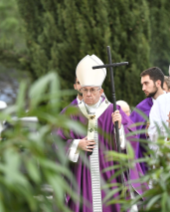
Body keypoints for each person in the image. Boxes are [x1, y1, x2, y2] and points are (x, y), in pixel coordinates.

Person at [57, 54, 148, 212]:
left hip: (109, 174)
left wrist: (119, 127)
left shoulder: (113, 111)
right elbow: (55, 141)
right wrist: (77, 144)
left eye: (92, 90)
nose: (89, 94)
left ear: (101, 91)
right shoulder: (70, 113)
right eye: (85, 90)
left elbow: (131, 137)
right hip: (81, 178)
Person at [129, 67, 165, 172]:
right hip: (149, 164)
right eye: (142, 84)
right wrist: (145, 133)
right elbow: (130, 132)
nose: (143, 88)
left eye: (146, 83)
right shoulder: (141, 108)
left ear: (158, 83)